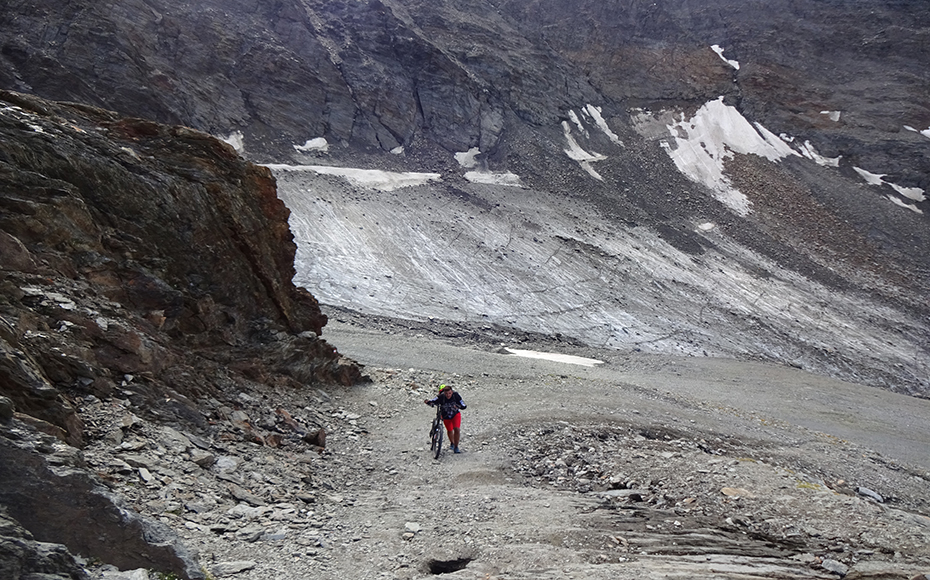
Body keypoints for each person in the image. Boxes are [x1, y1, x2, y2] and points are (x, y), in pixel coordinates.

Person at [424, 384, 466, 453]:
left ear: (452, 392)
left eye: (449, 393)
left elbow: (463, 404)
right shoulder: (441, 396)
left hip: (455, 414)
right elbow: (433, 400)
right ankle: (452, 443)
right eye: (446, 393)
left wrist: (460, 406)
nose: (448, 395)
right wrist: (428, 402)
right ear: (444, 393)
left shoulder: (456, 395)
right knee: (449, 430)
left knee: (457, 429)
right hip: (445, 416)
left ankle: (456, 446)